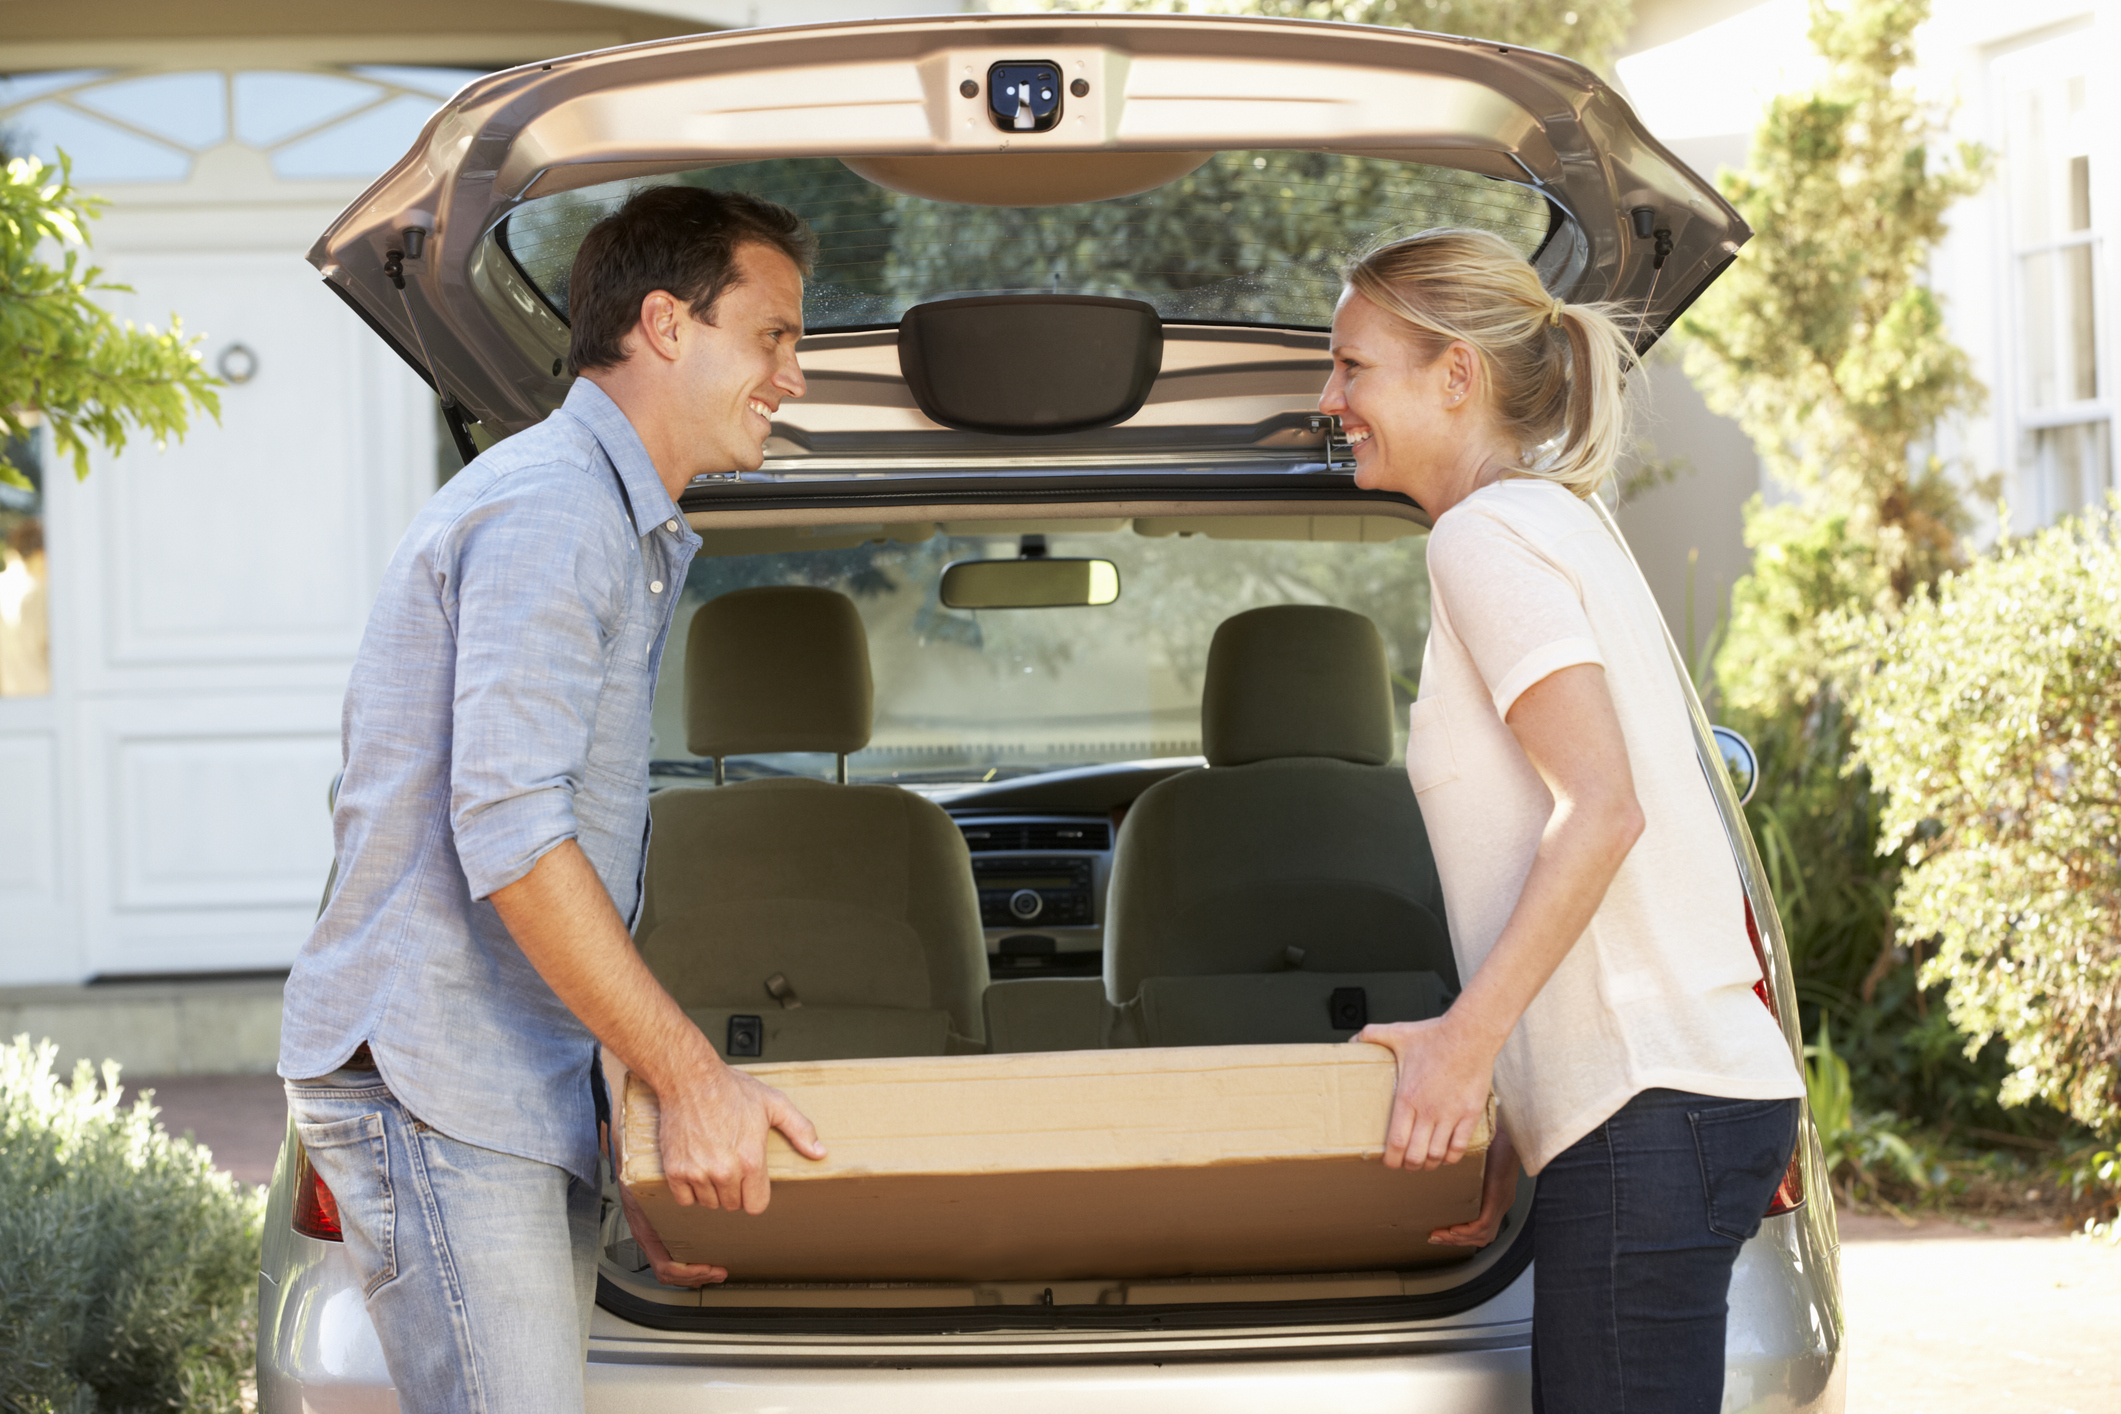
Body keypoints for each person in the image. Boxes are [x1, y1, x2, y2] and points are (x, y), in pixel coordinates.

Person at [278, 185, 826, 1414]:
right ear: (669, 325)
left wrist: (615, 1140)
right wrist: (692, 1082)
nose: (793, 378)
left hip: (490, 1088)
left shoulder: (608, 517)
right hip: (438, 1086)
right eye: (776, 335)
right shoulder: (556, 510)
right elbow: (517, 841)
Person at [1318, 228, 1804, 1412]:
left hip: (1655, 1111)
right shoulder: (1557, 520)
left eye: (1351, 366)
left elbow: (1602, 812)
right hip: (1663, 1106)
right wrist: (1518, 1101)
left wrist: (1464, 1047)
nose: (1327, 397)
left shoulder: (1484, 536)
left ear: (1455, 376)